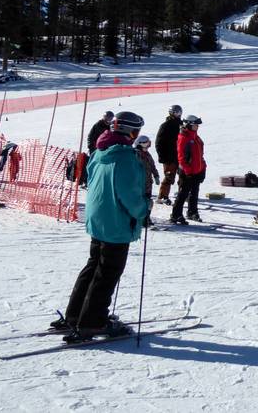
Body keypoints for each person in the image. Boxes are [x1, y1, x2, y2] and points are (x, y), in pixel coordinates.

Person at [51, 111, 149, 342]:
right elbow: (129, 195)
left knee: (94, 265)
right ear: (129, 132)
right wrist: (144, 209)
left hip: (98, 218)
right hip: (116, 222)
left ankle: (76, 315)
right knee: (107, 272)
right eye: (136, 131)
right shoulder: (125, 158)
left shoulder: (99, 152)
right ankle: (93, 322)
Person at [170, 115, 205, 225]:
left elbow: (200, 155)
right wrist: (188, 171)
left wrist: (203, 168)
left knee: (194, 193)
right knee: (183, 194)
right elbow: (181, 158)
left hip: (196, 171)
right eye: (195, 125)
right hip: (187, 172)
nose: (197, 127)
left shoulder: (195, 137)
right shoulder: (184, 138)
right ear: (188, 125)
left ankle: (192, 212)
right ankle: (176, 214)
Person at [154, 105, 182, 205]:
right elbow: (158, 142)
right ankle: (162, 196)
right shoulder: (165, 125)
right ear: (171, 113)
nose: (178, 114)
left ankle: (183, 194)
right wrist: (162, 156)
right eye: (176, 112)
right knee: (169, 177)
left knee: (184, 176)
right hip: (169, 157)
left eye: (179, 112)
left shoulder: (181, 125)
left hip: (180, 156)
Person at [134, 135, 159, 226]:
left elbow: (152, 166)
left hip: (148, 184)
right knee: (140, 202)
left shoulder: (147, 154)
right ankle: (138, 219)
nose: (147, 146)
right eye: (146, 144)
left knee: (148, 202)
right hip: (139, 184)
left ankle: (146, 218)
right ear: (140, 144)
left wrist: (156, 176)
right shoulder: (135, 155)